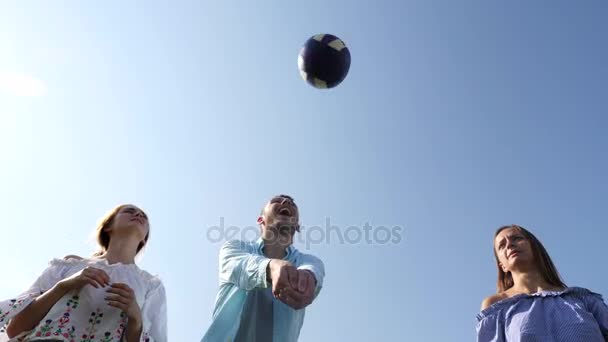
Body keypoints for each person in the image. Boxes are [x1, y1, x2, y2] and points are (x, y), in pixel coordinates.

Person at [0, 204, 167, 342]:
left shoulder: (151, 286)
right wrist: (63, 286)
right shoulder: (66, 266)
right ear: (108, 226)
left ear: (144, 238)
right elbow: (15, 328)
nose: (138, 214)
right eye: (129, 211)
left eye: (143, 215)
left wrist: (136, 318)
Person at [202, 194, 325, 342]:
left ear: (297, 226)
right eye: (276, 201)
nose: (286, 202)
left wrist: (307, 279)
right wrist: (271, 267)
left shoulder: (309, 261)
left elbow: (313, 271)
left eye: (292, 204)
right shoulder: (234, 248)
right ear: (261, 220)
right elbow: (242, 266)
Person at [477, 224, 608, 341]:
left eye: (516, 238)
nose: (509, 245)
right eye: (501, 245)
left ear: (535, 247)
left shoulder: (583, 299)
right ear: (502, 266)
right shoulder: (496, 306)